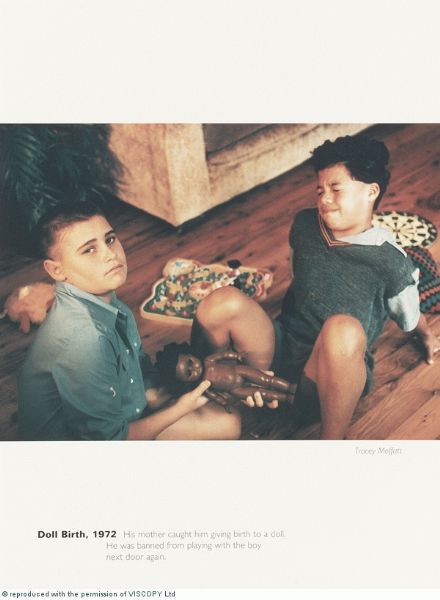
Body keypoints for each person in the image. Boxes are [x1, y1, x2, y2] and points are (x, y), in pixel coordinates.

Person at [190, 135, 440, 440]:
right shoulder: (304, 225)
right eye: (320, 190)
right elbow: (301, 279)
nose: (324, 199)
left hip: (327, 379)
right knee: (221, 301)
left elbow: (410, 316)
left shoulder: (392, 262)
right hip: (278, 350)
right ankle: (212, 385)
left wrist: (426, 335)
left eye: (336, 189)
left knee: (342, 327)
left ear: (371, 192)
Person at [17, 201, 241, 441]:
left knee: (220, 414)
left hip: (120, 411)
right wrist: (180, 408)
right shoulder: (84, 339)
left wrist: (165, 393)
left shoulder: (108, 303)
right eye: (89, 250)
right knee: (227, 424)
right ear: (56, 271)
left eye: (110, 239)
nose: (110, 254)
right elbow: (110, 442)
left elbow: (137, 369)